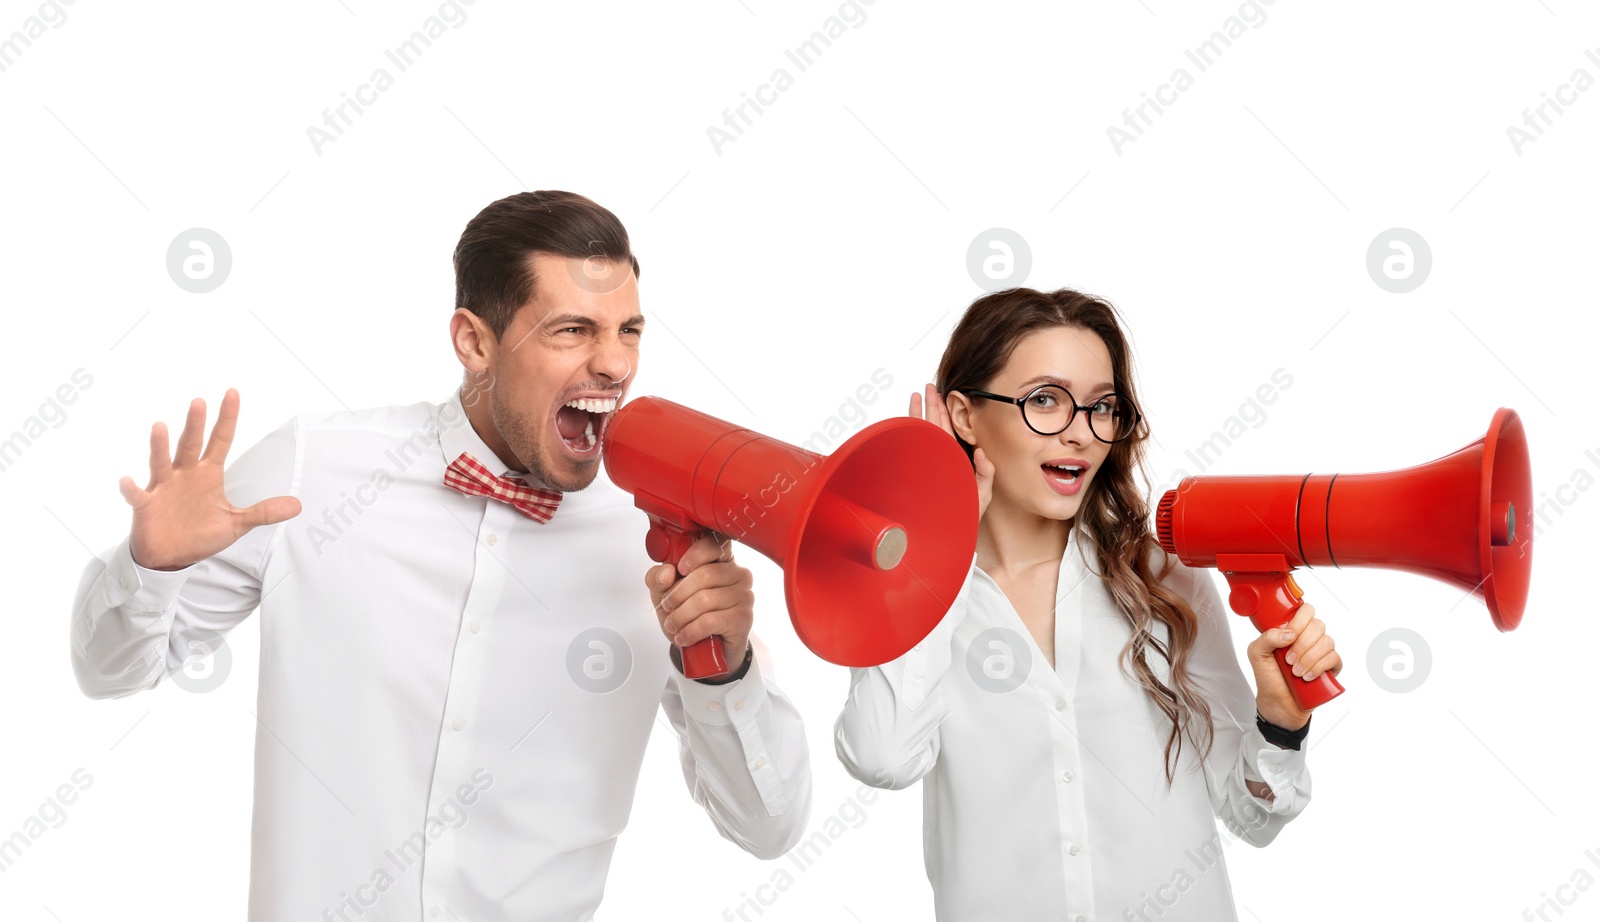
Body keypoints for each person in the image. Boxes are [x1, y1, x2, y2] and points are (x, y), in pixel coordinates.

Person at [70, 191, 813, 921]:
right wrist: (151, 567)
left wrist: (725, 663)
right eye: (573, 331)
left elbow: (768, 828)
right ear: (473, 341)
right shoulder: (314, 471)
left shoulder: (656, 531)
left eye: (629, 331)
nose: (614, 365)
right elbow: (109, 673)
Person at [833, 287, 1340, 922]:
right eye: (1045, 399)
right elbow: (882, 757)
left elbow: (1252, 814)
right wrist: (936, 545)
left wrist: (1281, 724)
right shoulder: (911, 587)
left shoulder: (1163, 578)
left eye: (1102, 407)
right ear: (963, 415)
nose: (1081, 433)